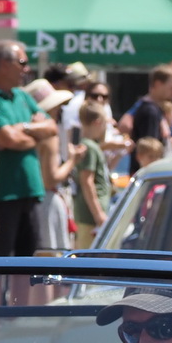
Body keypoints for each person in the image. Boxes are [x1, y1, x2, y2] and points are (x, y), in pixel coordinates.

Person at [0, 40, 56, 256]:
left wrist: (24, 128)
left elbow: (51, 127)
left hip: (30, 191)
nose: (26, 68)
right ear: (4, 64)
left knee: (28, 265)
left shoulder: (22, 96)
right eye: (22, 62)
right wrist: (35, 134)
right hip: (2, 195)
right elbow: (8, 139)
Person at [24, 78, 75, 251]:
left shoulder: (27, 134)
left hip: (31, 200)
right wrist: (73, 160)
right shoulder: (49, 136)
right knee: (51, 260)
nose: (59, 110)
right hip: (48, 202)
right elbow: (51, 179)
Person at [71, 103, 113, 249]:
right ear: (97, 122)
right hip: (90, 217)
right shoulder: (89, 147)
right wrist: (98, 215)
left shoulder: (91, 146)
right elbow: (87, 182)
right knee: (88, 257)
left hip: (91, 215)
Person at [122, 65, 172, 168]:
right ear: (158, 84)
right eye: (171, 88)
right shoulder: (150, 111)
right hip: (148, 173)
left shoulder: (154, 109)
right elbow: (150, 148)